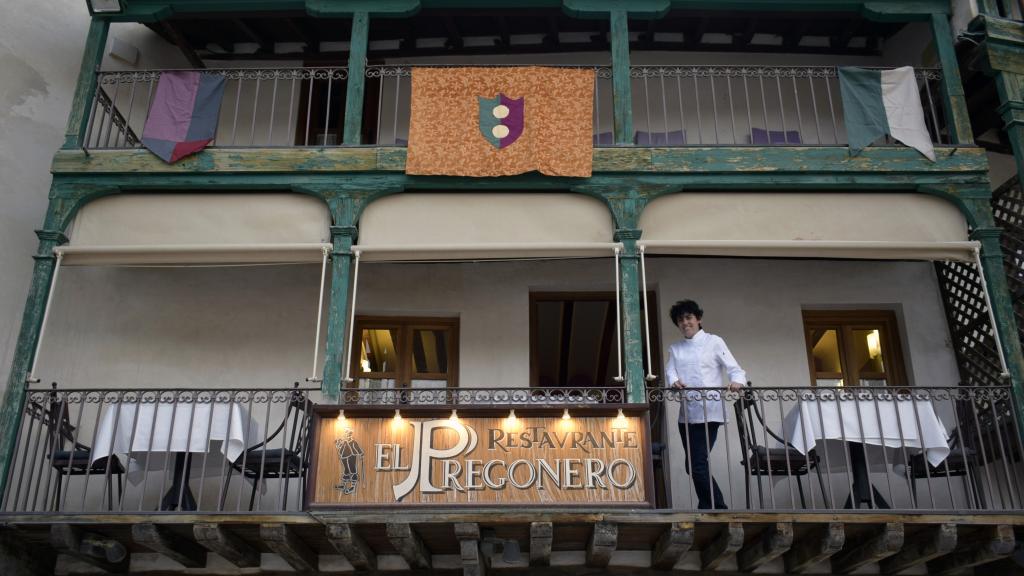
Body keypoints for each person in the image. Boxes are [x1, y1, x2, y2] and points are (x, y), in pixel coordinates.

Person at [665, 299, 746, 509]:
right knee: (692, 465)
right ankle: (707, 504)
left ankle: (717, 507)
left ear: (698, 319)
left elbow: (735, 368)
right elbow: (670, 371)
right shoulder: (675, 349)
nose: (685, 322)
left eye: (688, 317)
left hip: (710, 412)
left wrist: (737, 381)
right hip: (686, 416)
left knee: (697, 464)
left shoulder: (714, 341)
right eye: (680, 320)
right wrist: (674, 380)